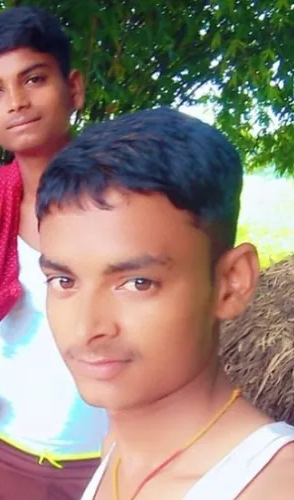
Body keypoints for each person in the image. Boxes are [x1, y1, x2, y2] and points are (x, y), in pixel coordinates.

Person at [36, 108, 294, 500]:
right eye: (64, 281)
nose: (85, 328)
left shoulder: (275, 486)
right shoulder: (117, 450)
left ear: (231, 283)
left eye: (138, 283)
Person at [0, 6, 108, 499]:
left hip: (109, 459)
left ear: (73, 88)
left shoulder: (125, 198)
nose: (16, 102)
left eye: (33, 79)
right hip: (0, 457)